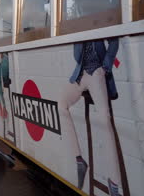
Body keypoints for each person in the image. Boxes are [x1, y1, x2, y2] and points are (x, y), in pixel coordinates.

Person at [58, 38, 121, 195]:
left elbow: (114, 41)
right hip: (80, 74)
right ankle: (79, 160)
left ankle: (113, 182)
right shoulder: (79, 26)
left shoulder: (99, 18)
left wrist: (105, 66)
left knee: (104, 119)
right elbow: (77, 56)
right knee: (61, 105)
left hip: (97, 72)